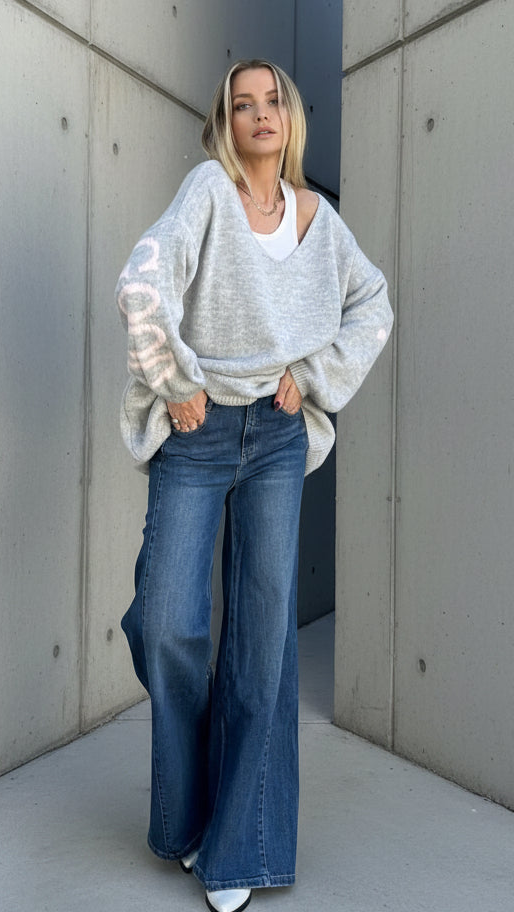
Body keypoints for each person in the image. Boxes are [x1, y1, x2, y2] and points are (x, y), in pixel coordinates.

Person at [116, 59, 393, 912]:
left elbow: (374, 305)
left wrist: (311, 378)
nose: (261, 114)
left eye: (273, 101)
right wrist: (176, 382)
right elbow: (142, 283)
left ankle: (240, 844)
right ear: (226, 122)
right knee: (166, 620)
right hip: (197, 432)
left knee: (263, 642)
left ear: (291, 117)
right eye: (244, 104)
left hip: (275, 436)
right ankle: (188, 813)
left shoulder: (319, 221)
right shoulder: (209, 190)